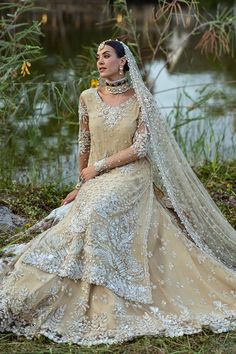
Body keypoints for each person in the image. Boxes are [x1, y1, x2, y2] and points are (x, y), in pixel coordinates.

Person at [0, 39, 235, 346]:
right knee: (84, 209)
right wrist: (80, 185)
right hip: (97, 176)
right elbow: (83, 144)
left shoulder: (142, 99)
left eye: (107, 56)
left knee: (97, 210)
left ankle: (107, 292)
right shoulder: (88, 97)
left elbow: (140, 148)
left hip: (131, 174)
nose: (100, 61)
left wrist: (98, 167)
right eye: (98, 56)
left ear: (123, 62)